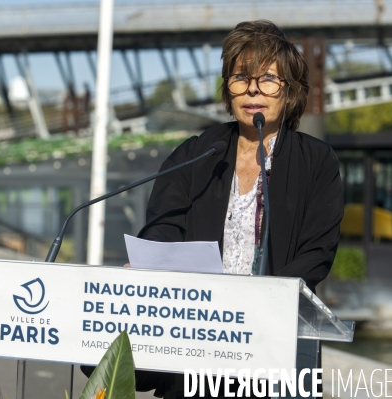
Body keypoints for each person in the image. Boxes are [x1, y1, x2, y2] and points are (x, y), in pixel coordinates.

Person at [133, 20, 343, 398]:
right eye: (241, 77)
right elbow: (161, 229)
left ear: (290, 91)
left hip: (272, 348)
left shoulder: (317, 162)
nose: (253, 90)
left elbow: (317, 254)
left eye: (268, 79)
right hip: (194, 344)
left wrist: (253, 306)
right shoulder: (195, 154)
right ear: (227, 88)